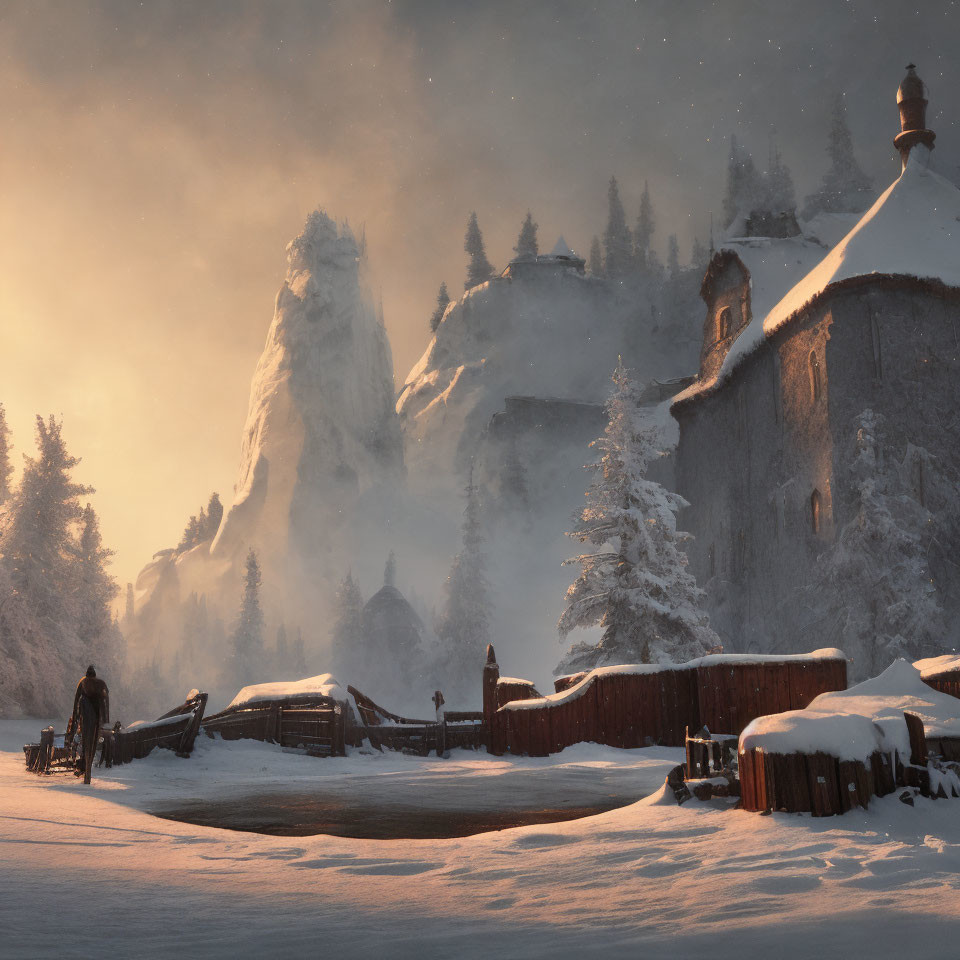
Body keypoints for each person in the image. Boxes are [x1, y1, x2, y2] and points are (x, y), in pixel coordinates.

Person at [70, 665, 110, 784]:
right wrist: (106, 719)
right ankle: (87, 773)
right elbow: (106, 701)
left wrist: (76, 717)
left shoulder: (83, 682)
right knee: (90, 743)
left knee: (87, 742)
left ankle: (87, 773)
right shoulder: (101, 684)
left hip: (87, 716)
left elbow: (76, 701)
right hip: (95, 715)